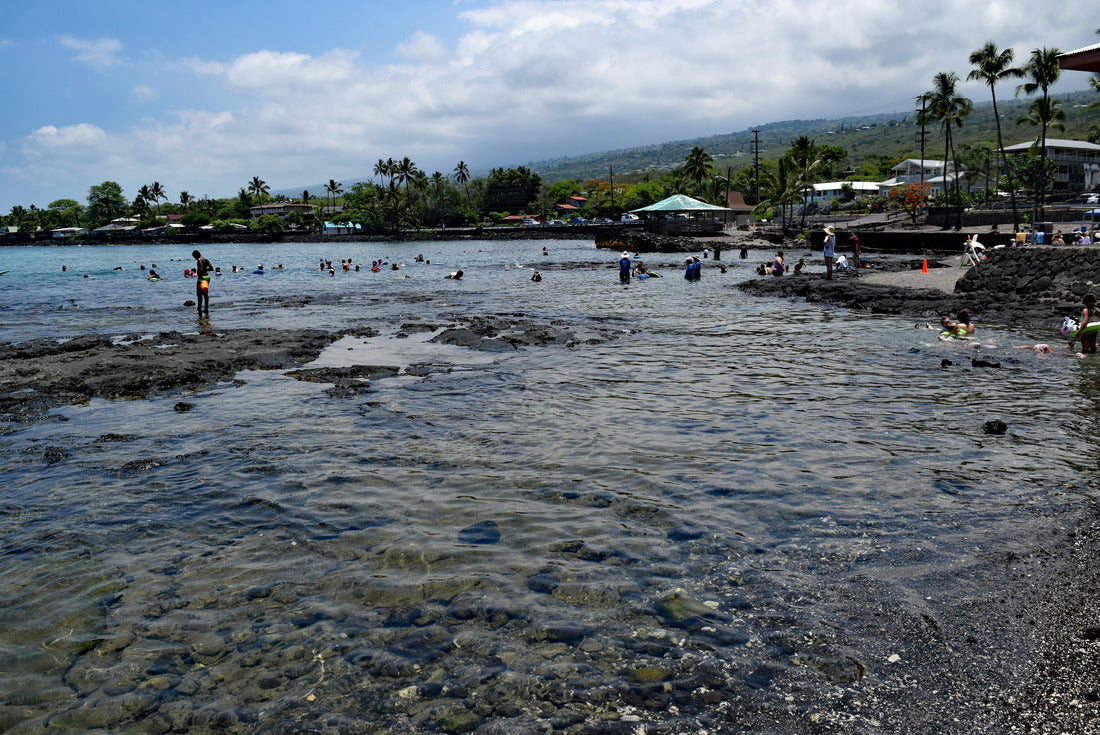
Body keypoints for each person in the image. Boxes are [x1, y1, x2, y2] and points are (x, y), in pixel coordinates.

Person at [192, 249, 213, 316]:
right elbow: (211, 268)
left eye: (194, 256)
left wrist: (200, 274)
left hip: (202, 278)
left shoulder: (199, 260)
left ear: (196, 255)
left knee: (199, 294)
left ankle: (199, 310)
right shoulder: (205, 259)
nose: (194, 258)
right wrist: (205, 270)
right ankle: (206, 309)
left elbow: (200, 268)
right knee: (205, 293)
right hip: (207, 277)